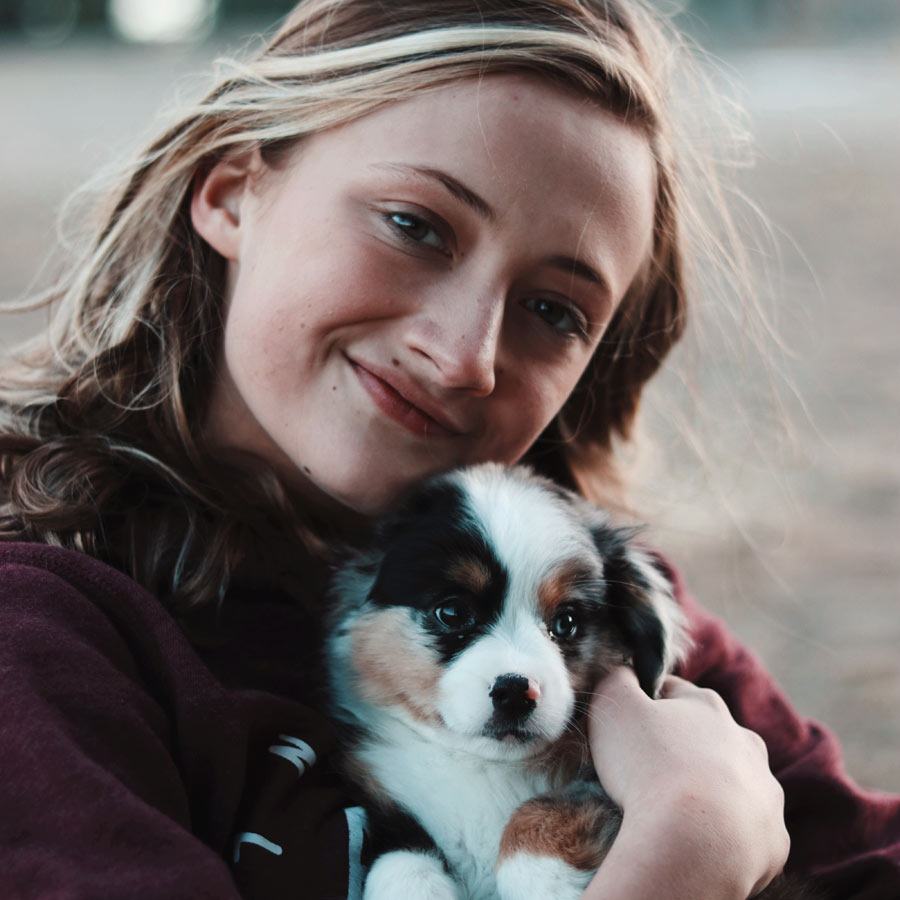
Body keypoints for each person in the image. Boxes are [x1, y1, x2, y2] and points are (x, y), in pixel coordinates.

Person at [0, 1, 897, 898]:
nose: (463, 354)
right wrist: (683, 859)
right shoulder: (42, 633)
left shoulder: (600, 609)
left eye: (553, 310)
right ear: (234, 191)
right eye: (414, 225)